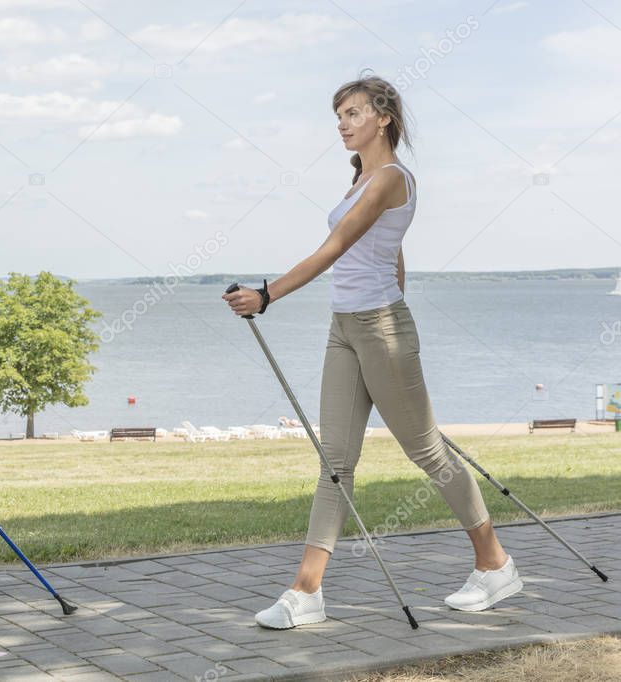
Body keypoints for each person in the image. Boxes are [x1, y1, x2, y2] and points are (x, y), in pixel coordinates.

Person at [223, 75, 523, 630]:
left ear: (383, 117)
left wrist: (267, 295)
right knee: (334, 464)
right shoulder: (361, 178)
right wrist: (382, 302)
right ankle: (305, 591)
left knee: (429, 453)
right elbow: (393, 253)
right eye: (338, 115)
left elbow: (337, 247)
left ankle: (495, 563)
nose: (342, 123)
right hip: (346, 328)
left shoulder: (390, 177)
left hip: (381, 330)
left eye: (353, 112)